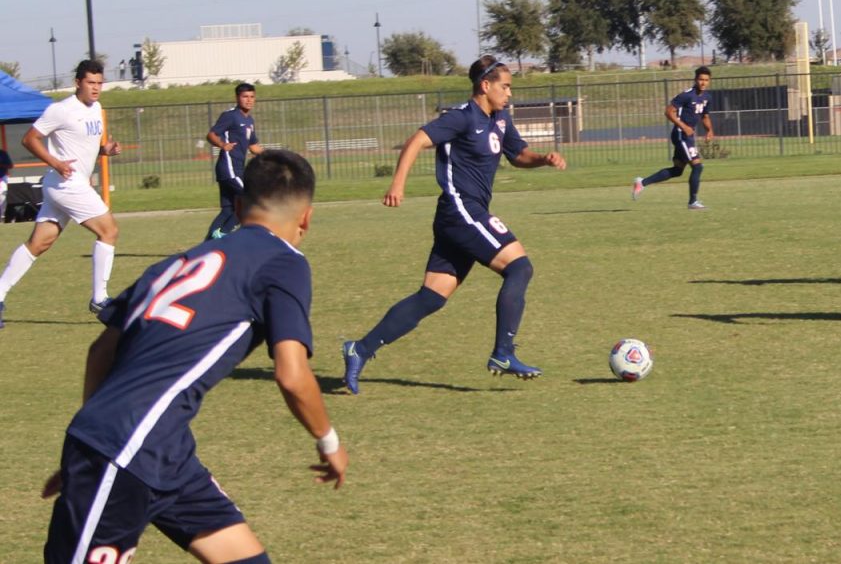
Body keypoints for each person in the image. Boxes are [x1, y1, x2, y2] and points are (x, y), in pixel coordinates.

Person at [42, 149, 348, 563]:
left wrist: (96, 442)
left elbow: (101, 350)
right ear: (306, 217)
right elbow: (292, 375)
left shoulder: (178, 262)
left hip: (162, 452)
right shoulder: (284, 263)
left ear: (238, 208)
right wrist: (328, 441)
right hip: (128, 446)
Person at [341, 56, 566, 393]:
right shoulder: (461, 118)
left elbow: (518, 155)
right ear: (485, 86)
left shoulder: (500, 119)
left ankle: (359, 349)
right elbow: (416, 140)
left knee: (431, 297)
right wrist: (397, 184)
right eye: (505, 86)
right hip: (461, 209)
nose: (509, 94)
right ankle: (503, 353)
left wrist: (543, 159)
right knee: (520, 268)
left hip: (460, 217)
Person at [0, 60, 121, 320]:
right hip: (68, 185)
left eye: (99, 83)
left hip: (65, 185)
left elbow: (81, 147)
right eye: (91, 83)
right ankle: (100, 299)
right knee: (109, 230)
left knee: (39, 243)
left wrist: (104, 150)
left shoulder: (96, 108)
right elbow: (29, 139)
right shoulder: (61, 110)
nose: (96, 88)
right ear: (78, 82)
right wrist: (54, 162)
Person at [631, 66, 714, 209]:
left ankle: (641, 182)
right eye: (701, 79)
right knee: (698, 166)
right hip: (681, 134)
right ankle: (693, 202)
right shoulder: (687, 95)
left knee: (677, 170)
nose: (703, 82)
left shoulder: (707, 97)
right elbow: (668, 112)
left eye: (706, 80)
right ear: (695, 79)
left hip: (688, 136)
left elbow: (705, 116)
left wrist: (710, 130)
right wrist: (684, 126)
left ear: (709, 81)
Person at [206, 82, 265, 240]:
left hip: (237, 170)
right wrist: (221, 144)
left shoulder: (249, 121)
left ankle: (205, 247)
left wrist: (274, 156)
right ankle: (223, 234)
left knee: (228, 210)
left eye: (252, 97)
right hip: (229, 168)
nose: (249, 100)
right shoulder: (230, 116)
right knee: (251, 200)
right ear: (237, 98)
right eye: (245, 96)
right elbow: (211, 134)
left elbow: (253, 147)